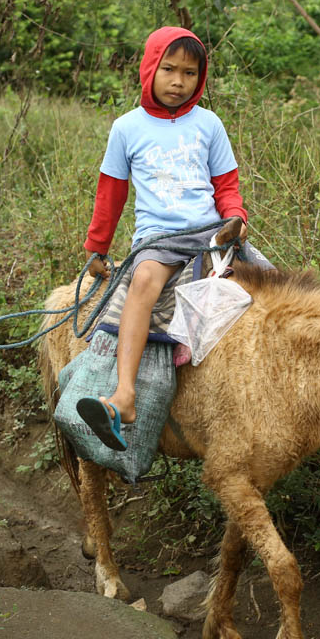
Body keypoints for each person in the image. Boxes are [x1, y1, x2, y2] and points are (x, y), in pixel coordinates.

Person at [77, 26, 249, 451]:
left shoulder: (208, 123)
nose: (178, 81)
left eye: (190, 73)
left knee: (269, 286)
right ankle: (124, 396)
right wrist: (97, 248)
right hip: (159, 237)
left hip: (211, 234)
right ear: (150, 68)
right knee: (142, 282)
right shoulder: (127, 128)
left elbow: (226, 185)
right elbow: (110, 194)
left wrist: (235, 217)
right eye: (169, 69)